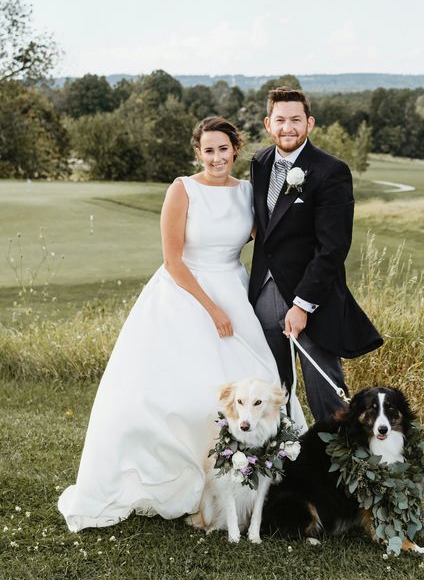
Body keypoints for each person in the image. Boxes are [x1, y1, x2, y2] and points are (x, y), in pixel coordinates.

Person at [58, 117, 306, 532]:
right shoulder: (182, 189)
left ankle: (254, 488)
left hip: (233, 290)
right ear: (198, 153)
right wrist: (212, 310)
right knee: (179, 395)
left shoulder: (246, 192)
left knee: (255, 383)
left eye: (223, 149)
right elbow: (173, 261)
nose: (216, 158)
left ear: (235, 149)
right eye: (208, 150)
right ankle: (187, 487)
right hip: (184, 295)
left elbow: (267, 236)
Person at [250, 87, 383, 423]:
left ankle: (341, 467)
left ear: (309, 123)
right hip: (263, 294)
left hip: (313, 300)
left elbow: (333, 247)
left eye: (296, 119)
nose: (288, 127)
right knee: (272, 393)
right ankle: (280, 464)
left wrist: (303, 304)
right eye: (280, 120)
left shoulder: (331, 170)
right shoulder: (260, 163)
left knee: (326, 396)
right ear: (268, 123)